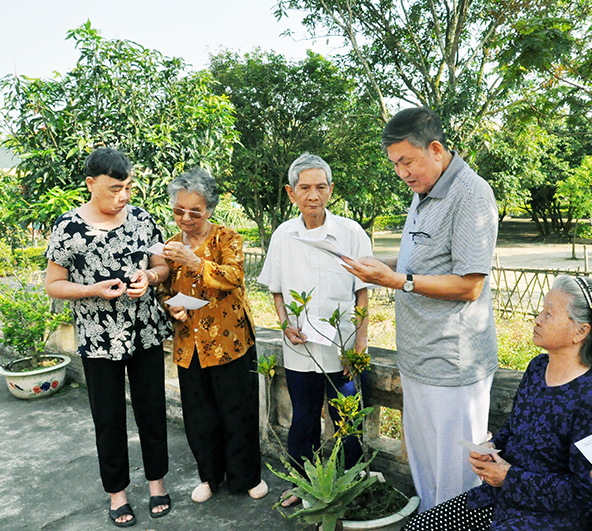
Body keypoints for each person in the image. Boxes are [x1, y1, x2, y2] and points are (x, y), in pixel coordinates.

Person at [343, 106, 499, 512]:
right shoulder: (421, 195)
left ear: (435, 149)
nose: (402, 173)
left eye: (407, 161)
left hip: (453, 364)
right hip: (416, 359)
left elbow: (470, 285)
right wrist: (380, 267)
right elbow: (419, 266)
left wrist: (398, 281)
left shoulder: (471, 193)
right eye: (395, 164)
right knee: (426, 472)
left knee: (457, 476)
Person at [403, 275, 592, 530]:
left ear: (581, 331)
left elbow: (584, 491)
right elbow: (514, 428)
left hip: (548, 518)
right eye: (542, 310)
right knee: (418, 527)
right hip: (500, 498)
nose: (538, 319)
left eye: (549, 314)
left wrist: (509, 478)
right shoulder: (537, 367)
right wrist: (492, 447)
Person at [44, 147, 173, 527]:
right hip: (99, 339)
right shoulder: (68, 228)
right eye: (115, 188)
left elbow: (162, 266)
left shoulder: (142, 220)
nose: (124, 196)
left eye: (129, 187)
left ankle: (156, 484)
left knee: (152, 411)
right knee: (109, 418)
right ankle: (117, 493)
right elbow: (54, 285)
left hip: (145, 332)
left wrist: (149, 278)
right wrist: (93, 290)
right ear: (90, 184)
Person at [257, 152, 372, 507]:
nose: (313, 195)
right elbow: (276, 289)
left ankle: (350, 488)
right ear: (291, 193)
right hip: (300, 349)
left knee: (348, 424)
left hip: (344, 350)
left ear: (331, 190)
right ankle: (302, 484)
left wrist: (360, 345)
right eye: (304, 188)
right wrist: (284, 324)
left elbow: (363, 292)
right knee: (303, 422)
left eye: (320, 187)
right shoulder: (283, 235)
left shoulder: (351, 233)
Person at [159, 168, 267, 503]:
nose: (186, 218)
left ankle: (246, 477)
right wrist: (169, 305)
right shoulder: (170, 245)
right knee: (199, 415)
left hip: (229, 342)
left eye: (195, 211)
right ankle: (209, 476)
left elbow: (233, 277)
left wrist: (193, 260)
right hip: (189, 345)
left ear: (210, 208)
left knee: (238, 411)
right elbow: (163, 288)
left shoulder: (227, 238)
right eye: (179, 211)